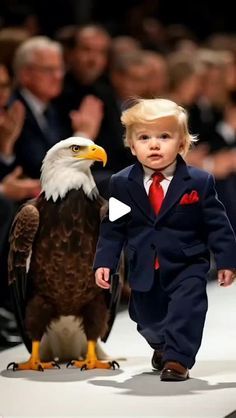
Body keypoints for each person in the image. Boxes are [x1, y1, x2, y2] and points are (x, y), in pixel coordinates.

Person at [94, 98, 236, 382]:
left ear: (182, 144)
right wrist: (104, 262)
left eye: (164, 136)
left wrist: (226, 261)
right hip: (143, 264)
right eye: (144, 138)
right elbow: (113, 228)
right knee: (145, 318)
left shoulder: (198, 182)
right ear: (132, 145)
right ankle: (162, 346)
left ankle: (178, 360)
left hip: (188, 262)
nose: (154, 144)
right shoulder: (121, 183)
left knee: (187, 309)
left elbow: (218, 225)